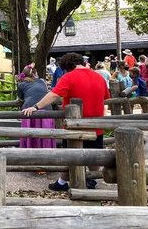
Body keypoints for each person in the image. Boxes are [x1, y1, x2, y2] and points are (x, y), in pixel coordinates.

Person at [22, 52, 110, 191]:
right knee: (94, 153)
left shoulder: (69, 77)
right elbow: (105, 97)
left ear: (66, 67)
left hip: (74, 124)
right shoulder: (99, 77)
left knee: (70, 153)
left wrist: (36, 106)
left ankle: (62, 182)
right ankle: (92, 179)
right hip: (96, 123)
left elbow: (54, 94)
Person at [16, 64, 56, 149]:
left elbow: (21, 98)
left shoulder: (21, 84)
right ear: (35, 74)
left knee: (29, 133)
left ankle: (29, 149)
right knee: (46, 133)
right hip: (46, 108)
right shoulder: (42, 81)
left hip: (29, 109)